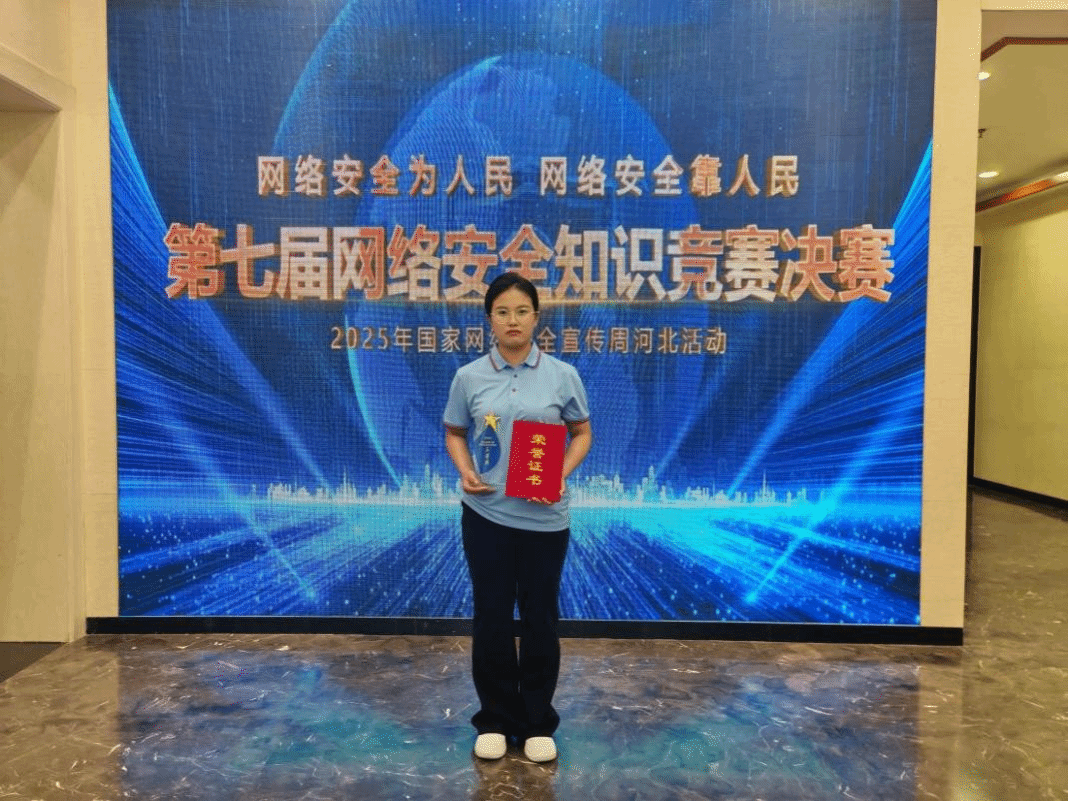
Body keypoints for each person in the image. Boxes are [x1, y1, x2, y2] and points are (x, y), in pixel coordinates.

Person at [443, 273, 592, 763]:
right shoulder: (469, 377)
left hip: (545, 521)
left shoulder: (562, 375)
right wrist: (466, 471)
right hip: (485, 515)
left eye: (522, 311)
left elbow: (582, 433)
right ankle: (494, 719)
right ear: (489, 319)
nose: (513, 320)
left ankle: (536, 722)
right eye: (503, 312)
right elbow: (455, 432)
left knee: (539, 619)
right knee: (490, 617)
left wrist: (560, 474)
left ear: (536, 318)